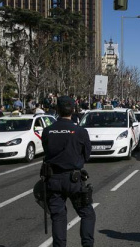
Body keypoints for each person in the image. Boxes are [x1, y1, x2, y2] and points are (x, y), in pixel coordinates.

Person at [41, 96, 95, 247]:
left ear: (57, 110)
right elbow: (87, 155)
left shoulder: (47, 131)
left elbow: (47, 151)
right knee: (87, 214)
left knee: (58, 217)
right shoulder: (80, 131)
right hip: (73, 180)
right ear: (73, 110)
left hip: (53, 179)